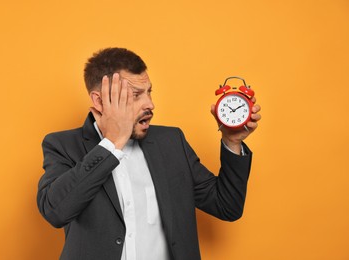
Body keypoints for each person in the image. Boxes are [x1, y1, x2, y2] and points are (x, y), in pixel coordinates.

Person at [37, 47, 261, 260]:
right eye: (135, 95)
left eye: (149, 92)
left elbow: (226, 206)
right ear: (100, 100)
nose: (150, 104)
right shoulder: (63, 145)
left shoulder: (171, 142)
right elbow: (55, 212)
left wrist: (232, 141)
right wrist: (112, 142)